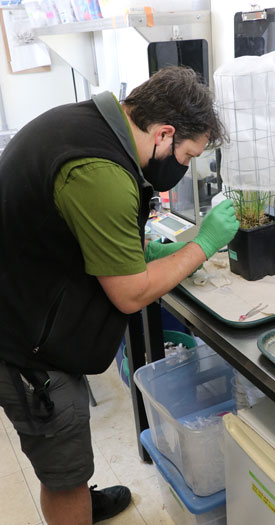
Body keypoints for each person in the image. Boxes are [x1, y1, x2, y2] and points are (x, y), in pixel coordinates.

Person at [0, 66, 239, 524]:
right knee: (63, 469)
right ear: (164, 133)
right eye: (187, 156)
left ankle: (81, 497)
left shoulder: (90, 124)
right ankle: (74, 501)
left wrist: (145, 250)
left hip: (35, 304)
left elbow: (79, 232)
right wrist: (203, 244)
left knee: (71, 458)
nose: (184, 167)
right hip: (26, 346)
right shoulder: (101, 171)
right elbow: (130, 295)